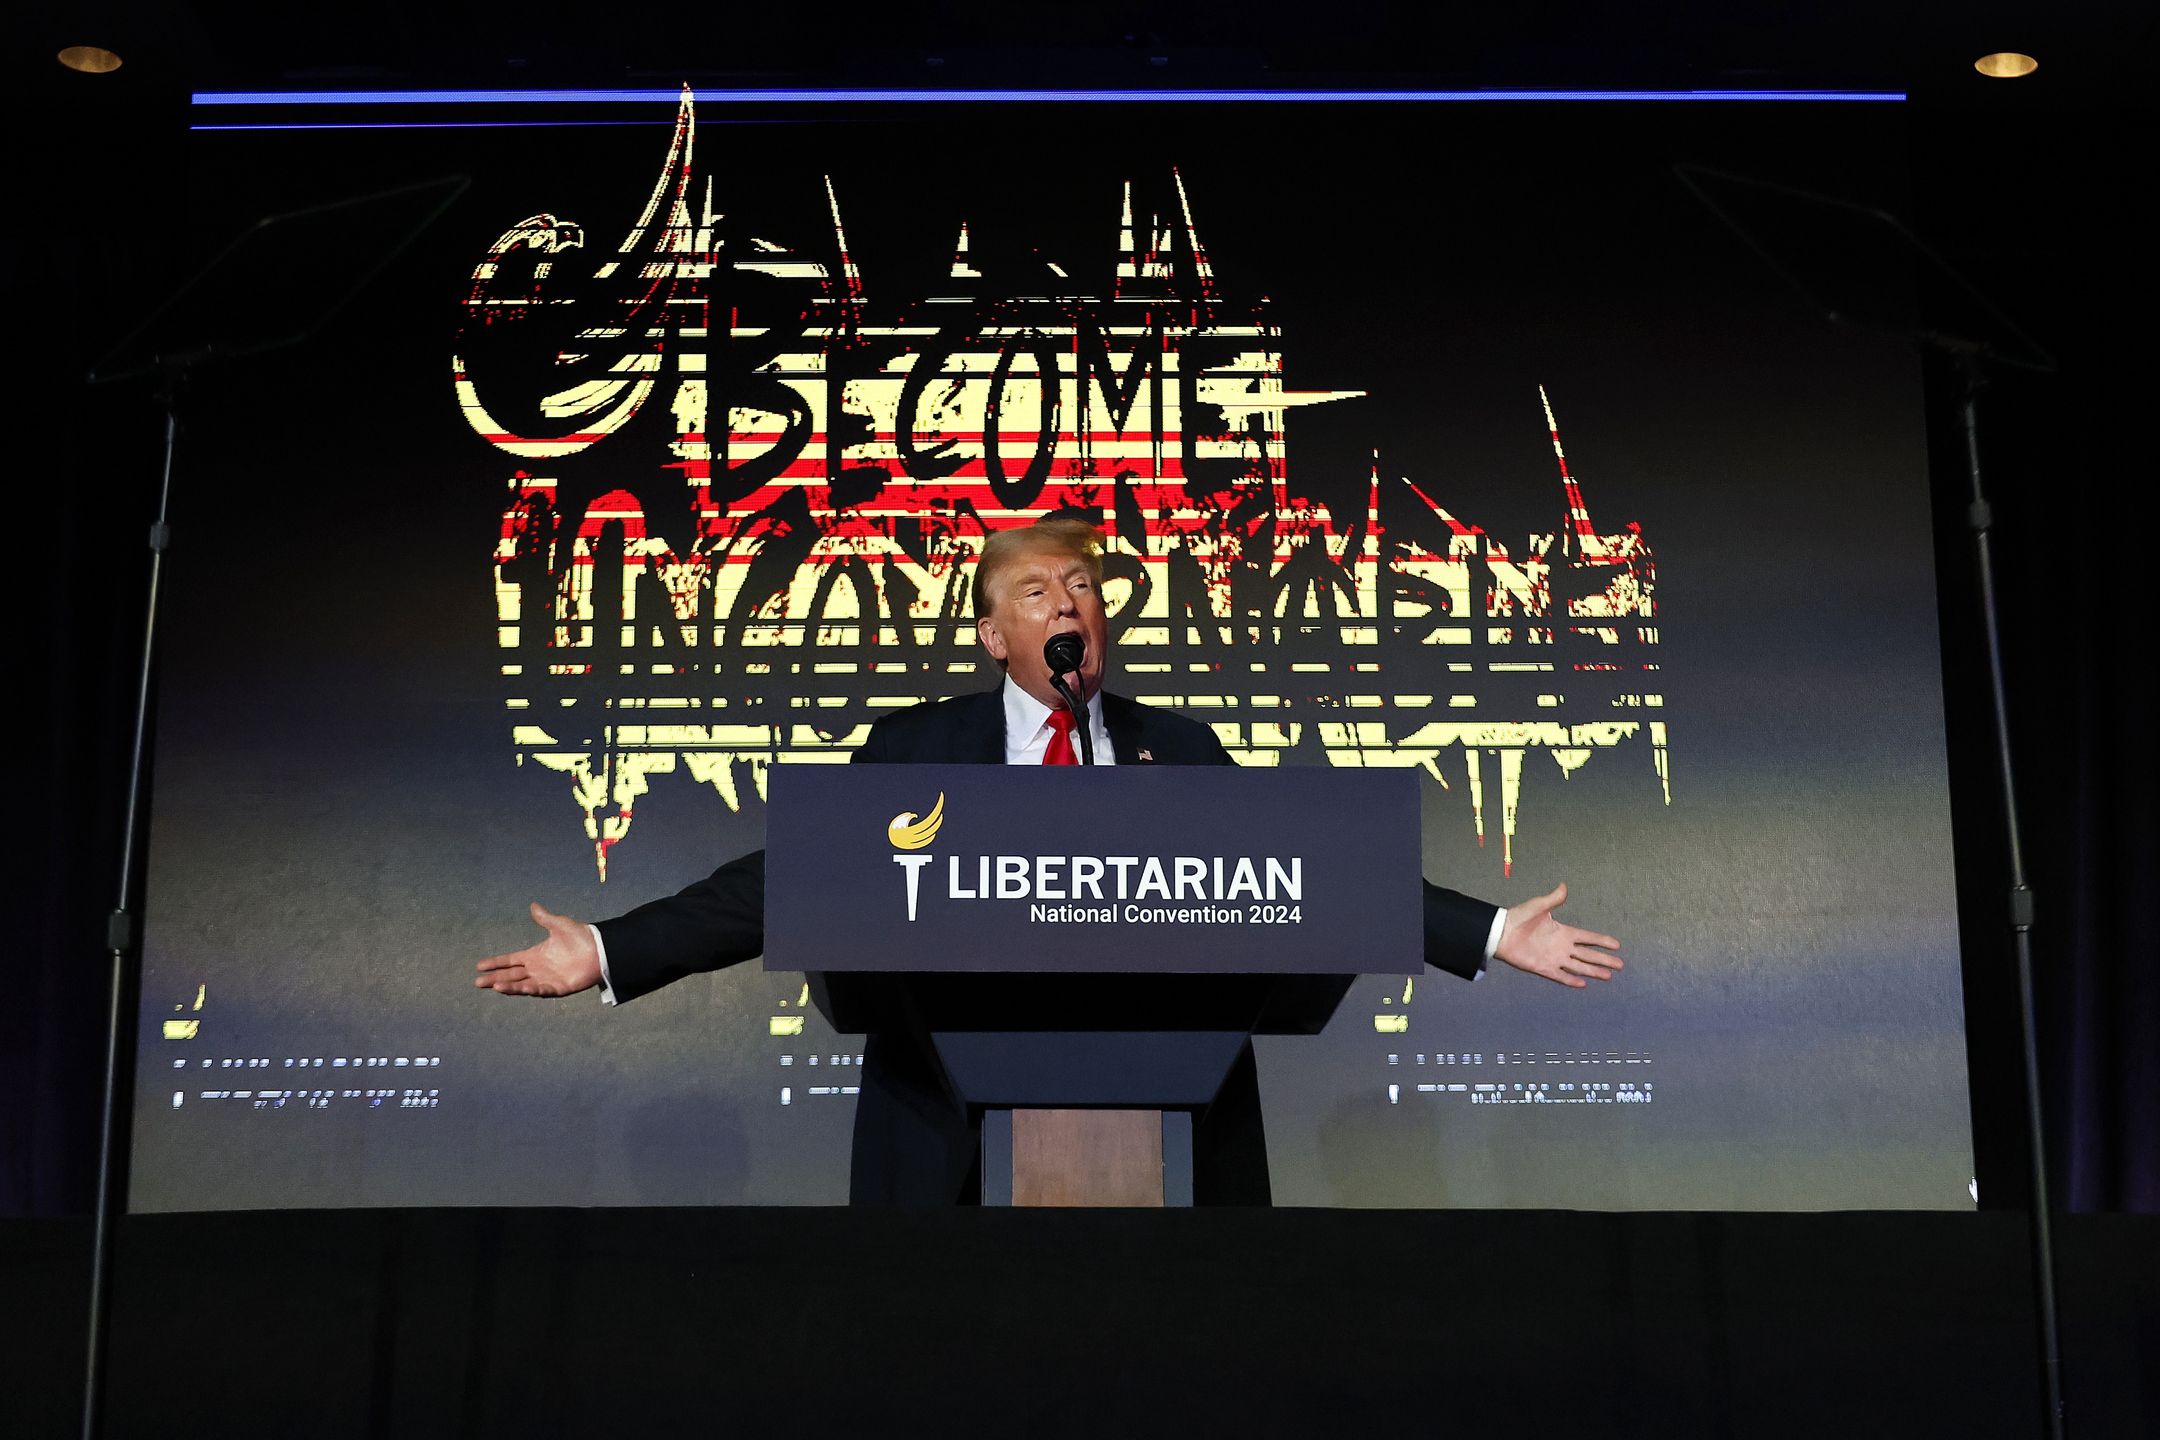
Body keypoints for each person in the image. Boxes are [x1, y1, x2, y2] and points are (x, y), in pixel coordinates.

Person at [476, 518, 1623, 1202]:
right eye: (1036, 590)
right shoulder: (916, 748)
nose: (1068, 601)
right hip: (948, 1135)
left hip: (1170, 1128)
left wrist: (1484, 930)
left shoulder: (1175, 752)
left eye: (1083, 586)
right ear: (992, 634)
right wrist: (613, 948)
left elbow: (1302, 876)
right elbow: (790, 883)